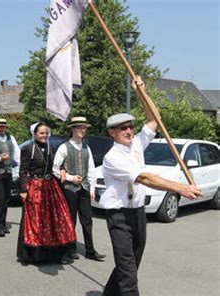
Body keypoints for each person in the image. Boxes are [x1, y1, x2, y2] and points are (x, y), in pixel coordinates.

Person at [101, 77, 202, 296]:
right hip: (119, 216)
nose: (128, 131)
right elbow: (144, 178)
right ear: (112, 132)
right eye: (122, 128)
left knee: (130, 264)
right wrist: (179, 187)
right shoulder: (112, 157)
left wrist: (142, 93)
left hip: (138, 213)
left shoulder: (136, 144)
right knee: (128, 274)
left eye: (130, 127)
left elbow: (155, 119)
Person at [17, 122, 76, 264]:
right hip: (35, 186)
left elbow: (58, 165)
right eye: (41, 133)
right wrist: (24, 189)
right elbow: (23, 171)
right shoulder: (27, 149)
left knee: (53, 220)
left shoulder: (52, 148)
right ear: (35, 134)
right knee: (34, 221)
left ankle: (54, 255)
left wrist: (62, 169)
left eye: (46, 133)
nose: (44, 136)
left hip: (50, 187)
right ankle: (30, 255)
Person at [53, 116, 106, 262]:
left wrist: (92, 188)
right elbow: (54, 169)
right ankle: (69, 250)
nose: (83, 130)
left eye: (84, 127)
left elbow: (91, 169)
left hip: (84, 188)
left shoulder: (86, 147)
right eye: (80, 127)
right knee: (70, 220)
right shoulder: (64, 147)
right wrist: (70, 177)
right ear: (73, 129)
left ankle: (90, 250)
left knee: (87, 220)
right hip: (69, 188)